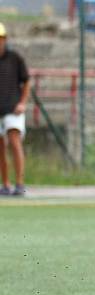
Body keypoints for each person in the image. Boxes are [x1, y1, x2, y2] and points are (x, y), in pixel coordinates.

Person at [0, 22, 30, 197]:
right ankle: (5, 184)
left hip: (13, 108)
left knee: (14, 140)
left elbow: (26, 81)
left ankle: (19, 183)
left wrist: (22, 102)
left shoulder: (15, 58)